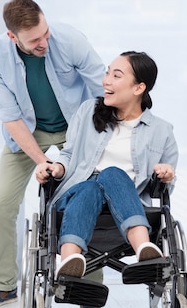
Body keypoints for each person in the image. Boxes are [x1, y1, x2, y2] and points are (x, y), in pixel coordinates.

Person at [0, 0, 106, 308]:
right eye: (34, 40)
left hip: (75, 130)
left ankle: (88, 295)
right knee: (1, 204)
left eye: (45, 33)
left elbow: (102, 92)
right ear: (12, 37)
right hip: (26, 137)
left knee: (85, 199)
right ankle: (5, 286)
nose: (43, 43)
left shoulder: (70, 40)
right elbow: (11, 118)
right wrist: (40, 161)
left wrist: (92, 143)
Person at [34, 51, 178, 285]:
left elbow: (164, 187)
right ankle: (69, 263)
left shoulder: (161, 131)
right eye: (107, 72)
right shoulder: (88, 112)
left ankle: (145, 250)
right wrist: (55, 168)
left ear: (138, 88)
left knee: (112, 174)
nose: (106, 81)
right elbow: (68, 154)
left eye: (116, 75)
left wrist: (166, 174)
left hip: (126, 204)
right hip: (77, 197)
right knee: (91, 186)